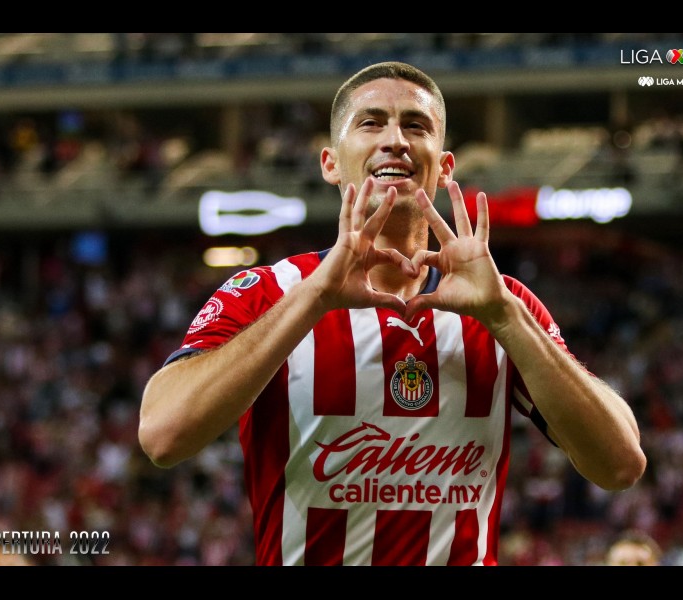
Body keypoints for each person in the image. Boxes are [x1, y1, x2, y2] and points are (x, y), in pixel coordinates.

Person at [139, 61, 647, 566]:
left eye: (415, 126)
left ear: (444, 167)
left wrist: (506, 318)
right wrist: (314, 298)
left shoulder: (499, 302)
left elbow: (621, 464)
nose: (396, 140)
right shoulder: (269, 293)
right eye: (371, 122)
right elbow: (163, 436)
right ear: (330, 163)